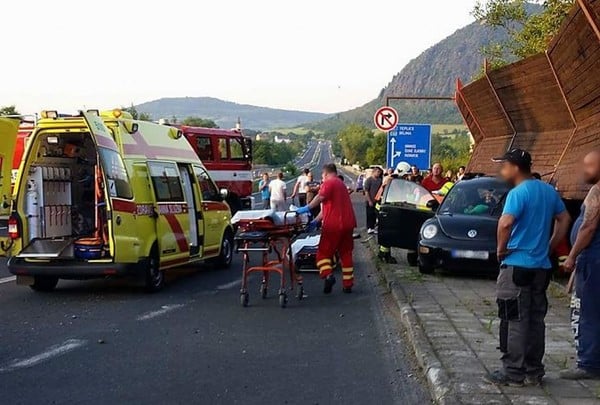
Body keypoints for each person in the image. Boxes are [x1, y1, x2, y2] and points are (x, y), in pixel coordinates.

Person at [485, 149, 571, 387]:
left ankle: (513, 371)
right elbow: (564, 218)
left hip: (517, 266)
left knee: (514, 319)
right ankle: (534, 371)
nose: (502, 170)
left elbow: (506, 223)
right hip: (541, 267)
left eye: (504, 166)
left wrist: (501, 249)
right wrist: (550, 245)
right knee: (535, 319)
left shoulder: (517, 193)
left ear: (514, 167)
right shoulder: (547, 191)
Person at [560, 150, 600, 380]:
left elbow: (589, 227)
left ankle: (589, 363)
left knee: (588, 312)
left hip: (593, 258)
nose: (585, 171)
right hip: (591, 258)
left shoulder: (597, 191)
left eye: (590, 166)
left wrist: (572, 255)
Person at [297, 164, 357, 293]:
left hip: (333, 225)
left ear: (325, 174)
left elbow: (320, 198)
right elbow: (325, 209)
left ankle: (328, 274)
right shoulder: (341, 185)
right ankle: (348, 284)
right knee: (346, 254)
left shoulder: (329, 183)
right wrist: (314, 221)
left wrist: (307, 208)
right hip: (348, 224)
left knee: (323, 254)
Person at [364, 167, 382, 234]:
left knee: (375, 214)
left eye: (379, 172)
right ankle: (369, 227)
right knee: (369, 214)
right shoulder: (369, 180)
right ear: (374, 172)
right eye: (377, 172)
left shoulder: (380, 180)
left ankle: (373, 227)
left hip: (377, 201)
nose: (378, 173)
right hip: (370, 200)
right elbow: (366, 191)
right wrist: (369, 201)